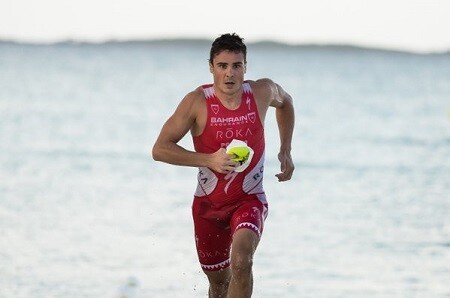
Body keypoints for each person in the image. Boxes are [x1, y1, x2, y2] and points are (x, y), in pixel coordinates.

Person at [152, 33, 295, 298]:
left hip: (248, 199)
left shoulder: (262, 92)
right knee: (218, 286)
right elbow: (160, 149)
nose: (230, 74)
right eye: (222, 66)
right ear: (211, 67)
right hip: (208, 207)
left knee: (242, 261)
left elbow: (286, 103)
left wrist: (285, 150)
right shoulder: (196, 102)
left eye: (236, 66)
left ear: (245, 68)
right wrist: (208, 159)